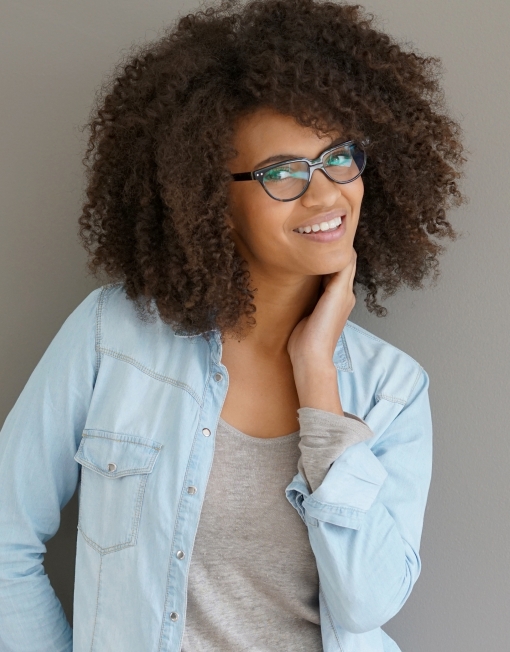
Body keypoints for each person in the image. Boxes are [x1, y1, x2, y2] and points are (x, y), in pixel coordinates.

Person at [0, 0, 465, 650]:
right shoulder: (112, 338)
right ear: (208, 196)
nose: (327, 194)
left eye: (339, 157)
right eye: (282, 172)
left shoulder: (392, 390)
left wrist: (318, 378)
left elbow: (366, 603)